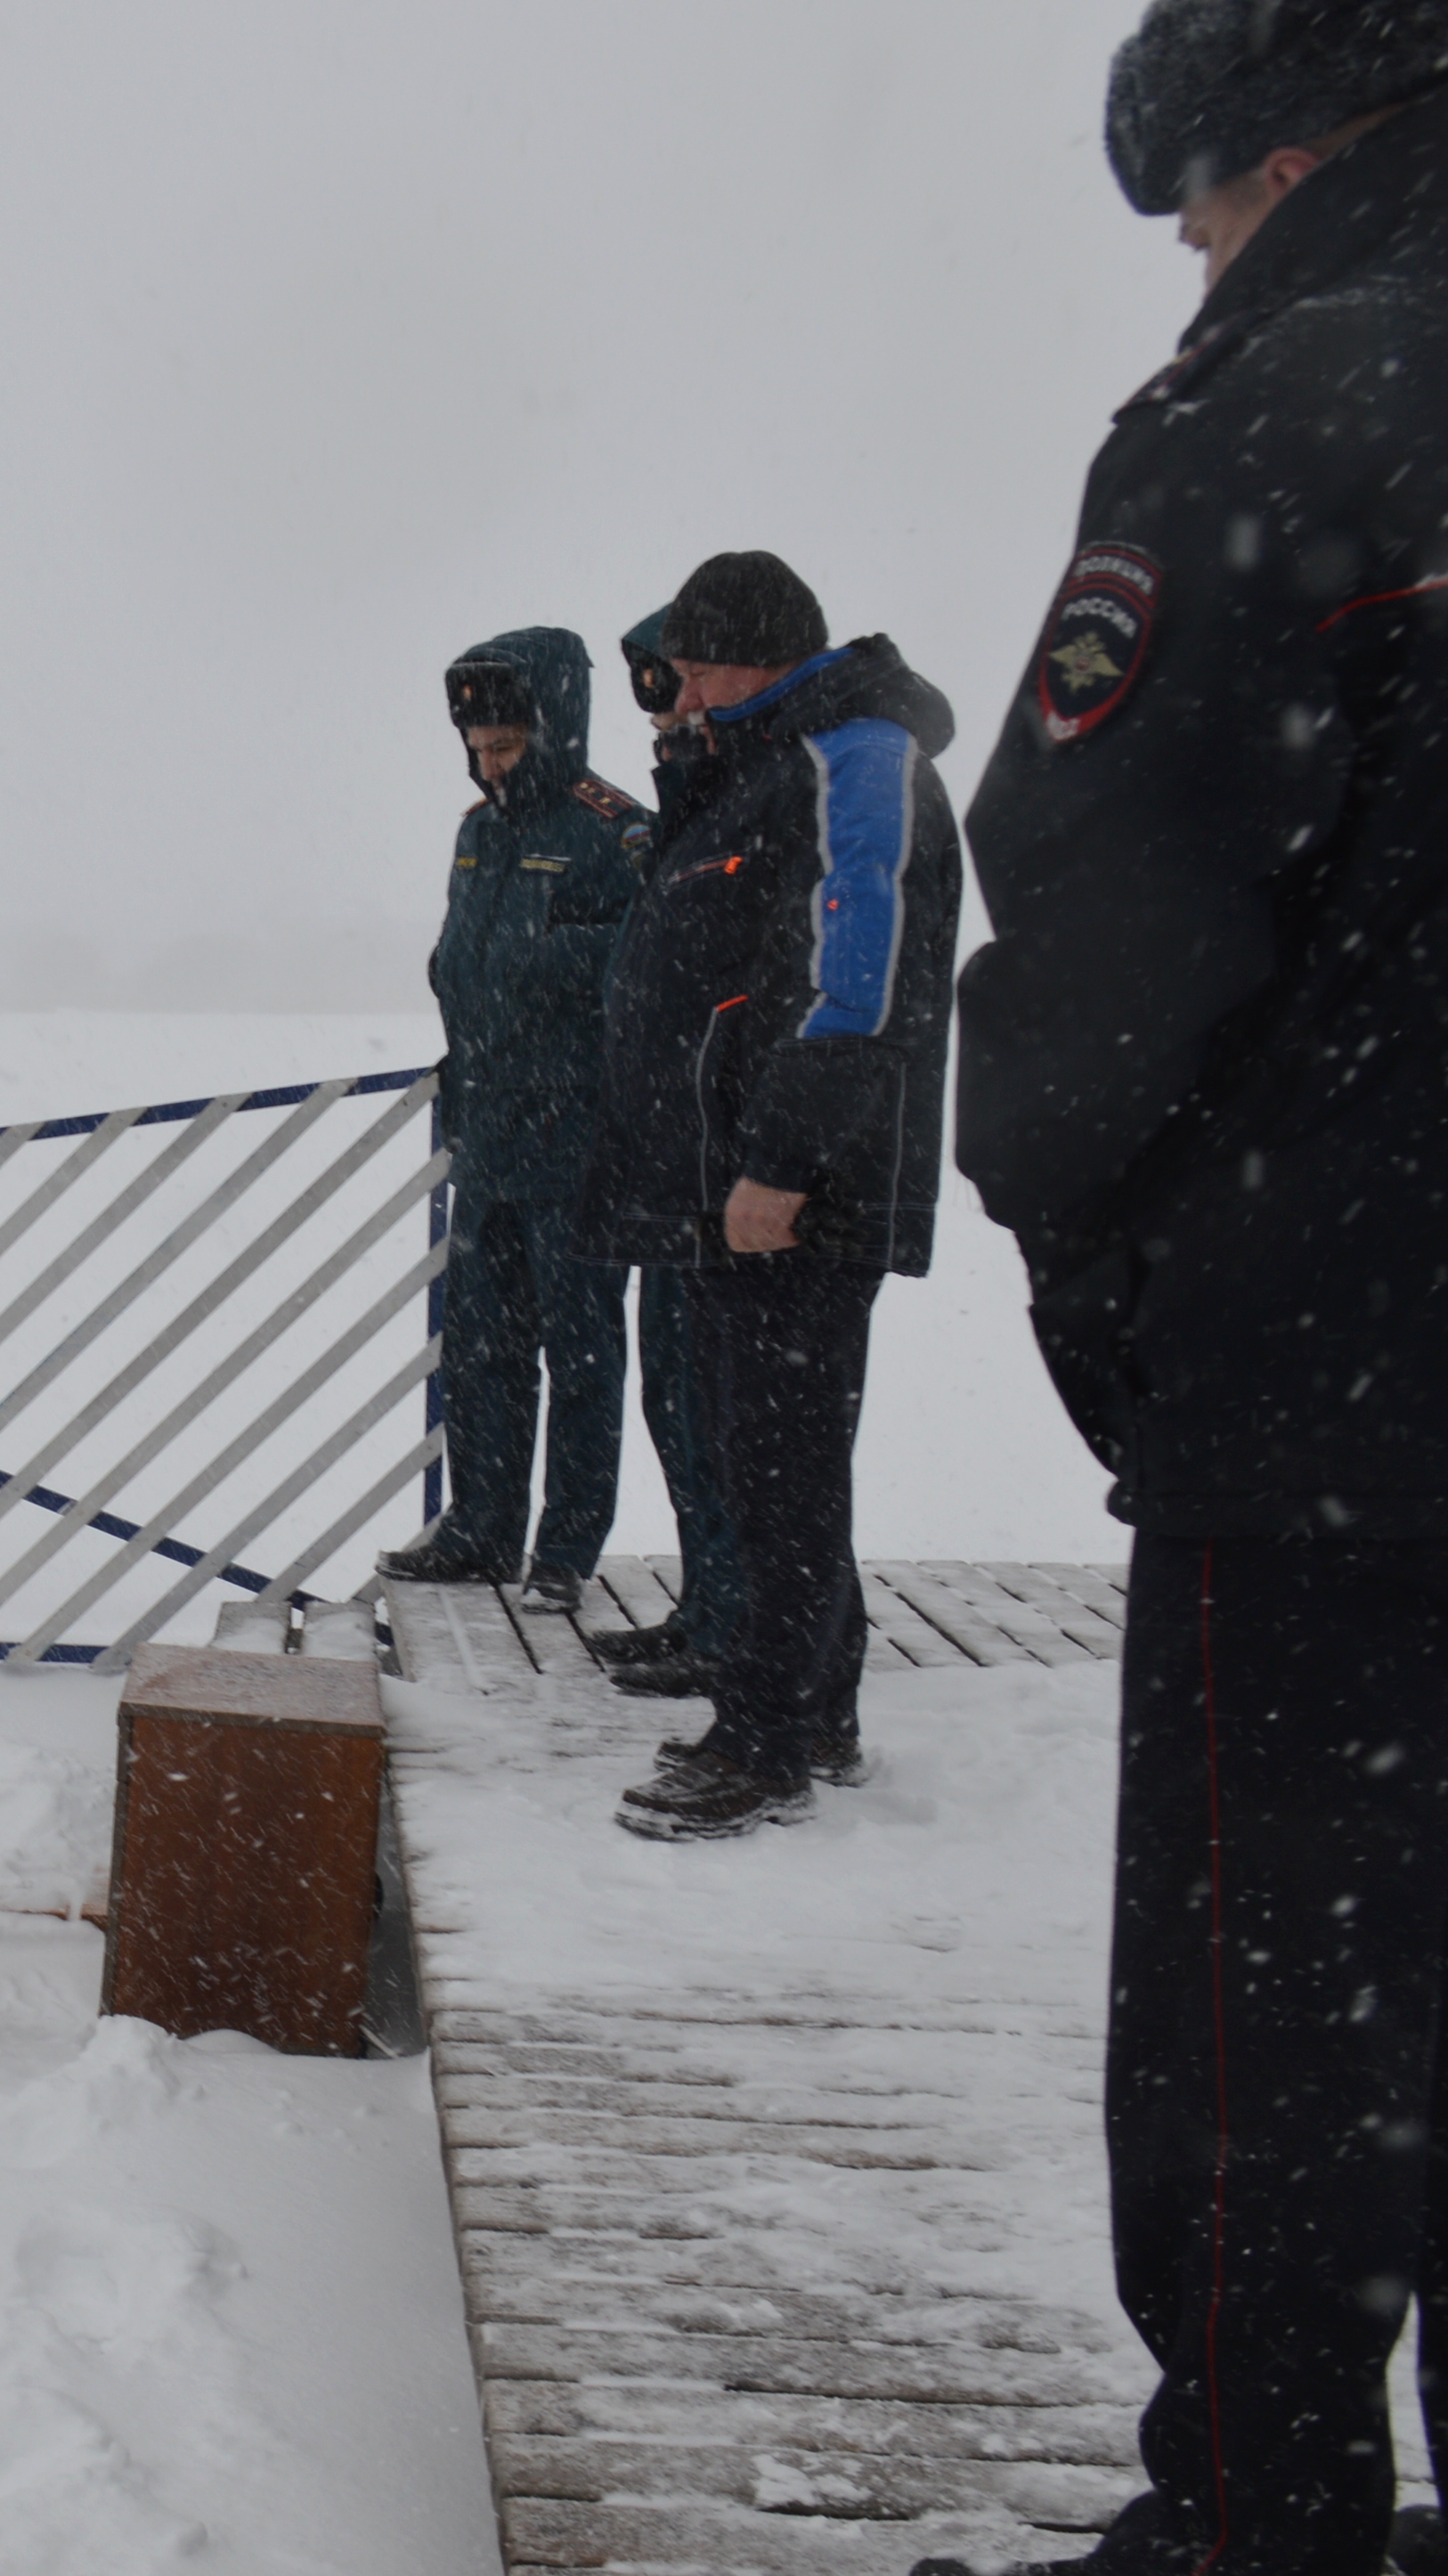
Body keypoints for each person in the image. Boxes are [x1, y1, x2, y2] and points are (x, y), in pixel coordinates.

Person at [913, 4, 1448, 2576]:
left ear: (1277, 145)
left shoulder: (1277, 416)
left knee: (1275, 2035)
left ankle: (1240, 2563)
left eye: (1197, 210)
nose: (1198, 263)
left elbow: (1105, 929)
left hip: (1335, 1390)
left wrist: (1096, 1265)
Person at [570, 553, 962, 1841]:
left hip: (798, 1190)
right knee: (762, 1457)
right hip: (735, 1187)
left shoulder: (858, 759)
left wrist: (783, 1163)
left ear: (745, 653)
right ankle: (812, 1707)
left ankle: (765, 1739)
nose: (672, 686)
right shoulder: (761, 771)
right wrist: (693, 767)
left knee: (782, 1466)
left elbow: (863, 980)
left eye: (687, 662)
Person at [378, 626, 647, 1617]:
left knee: (581, 1355)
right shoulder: (476, 834)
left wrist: (556, 969)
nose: (491, 766)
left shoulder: (616, 831)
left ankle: (567, 1549)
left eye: (507, 747)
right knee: (482, 1346)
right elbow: (465, 964)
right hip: (487, 1134)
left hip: (579, 1141)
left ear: (555, 729)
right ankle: (481, 1529)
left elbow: (649, 962)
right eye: (478, 749)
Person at [582, 607, 747, 1692]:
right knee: (679, 1401)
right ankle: (714, 1607)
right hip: (674, 1165)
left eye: (683, 686)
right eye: (654, 694)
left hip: (733, 1165)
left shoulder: (754, 802)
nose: (668, 712)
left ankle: (750, 1632)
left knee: (739, 1423)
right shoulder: (689, 810)